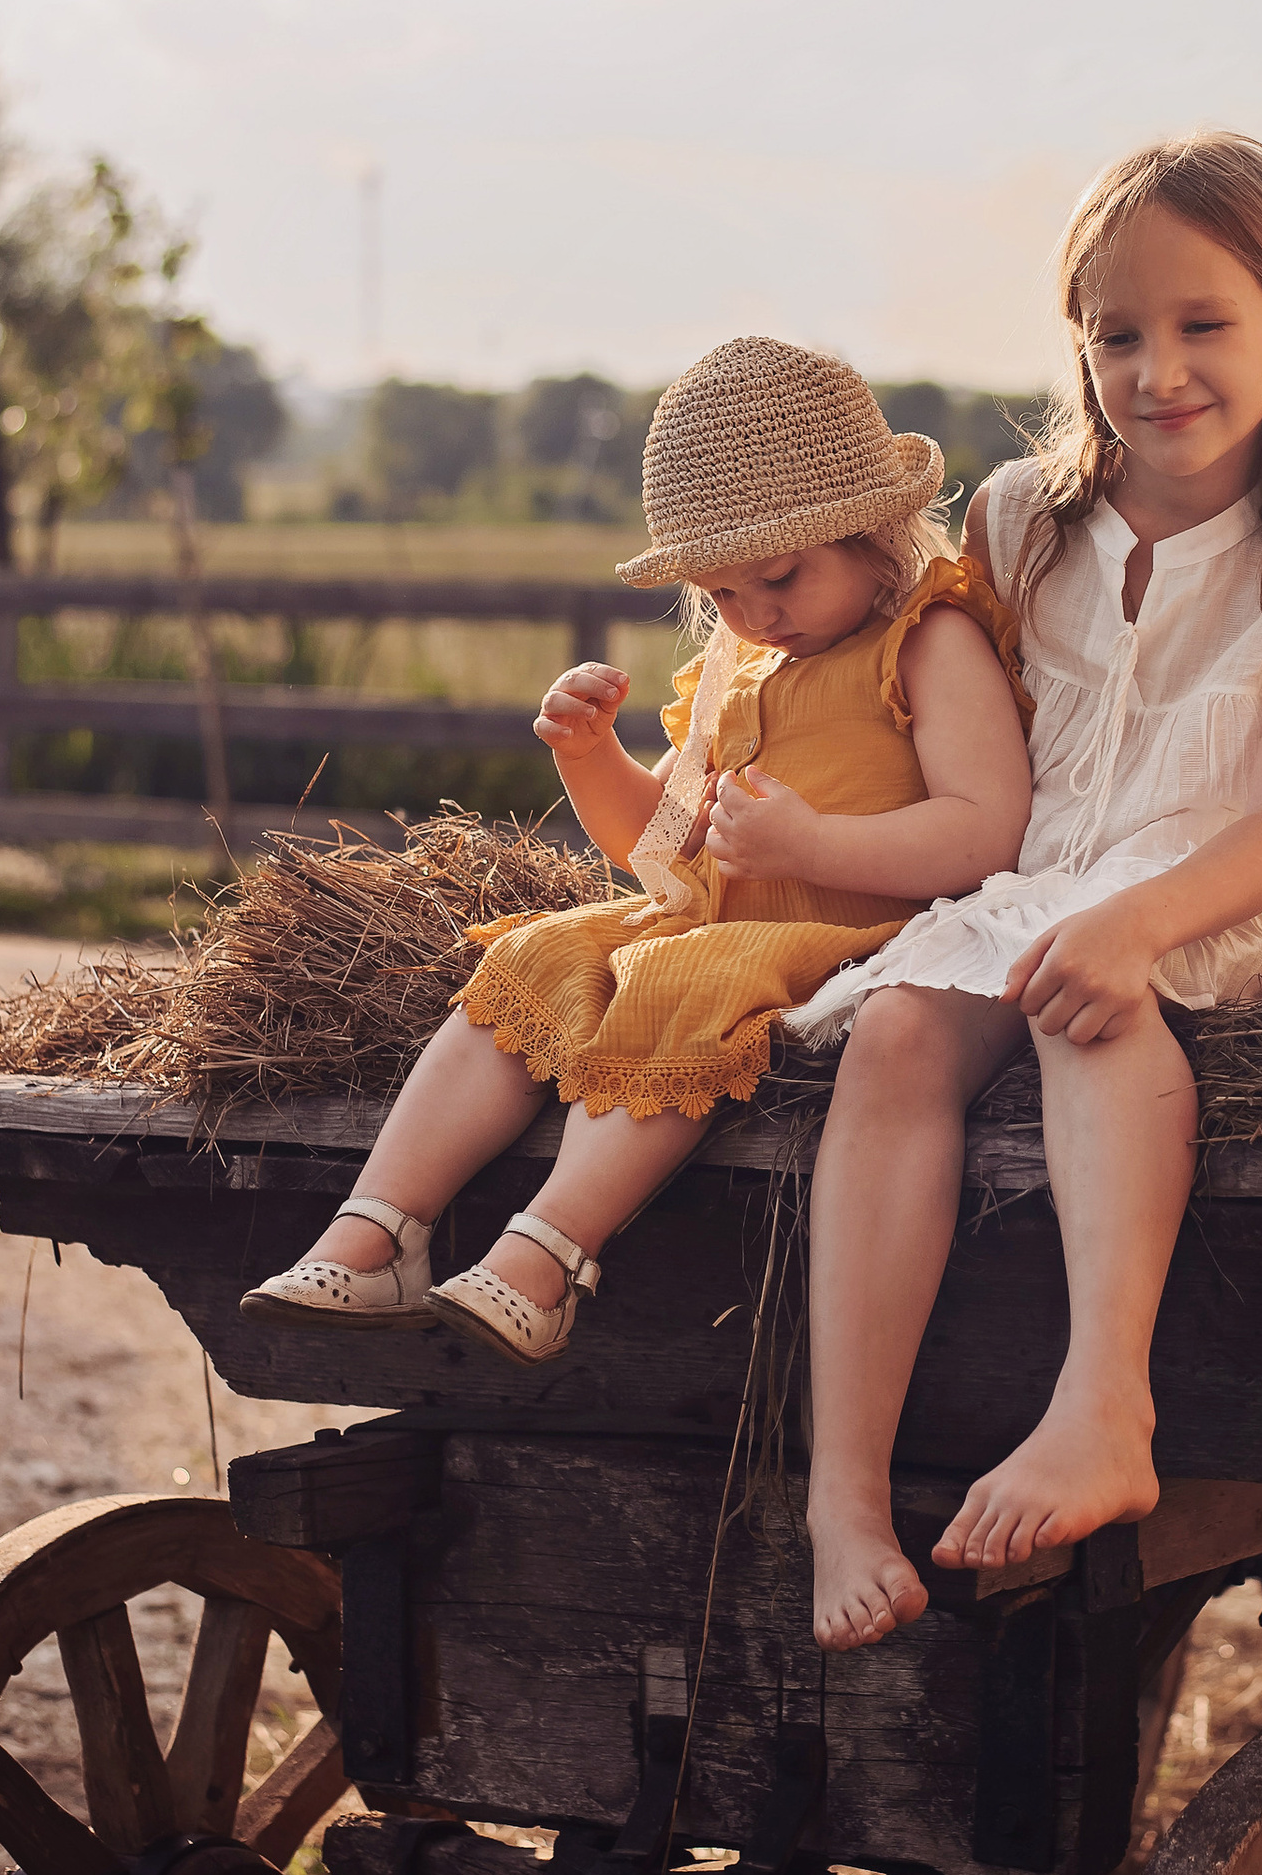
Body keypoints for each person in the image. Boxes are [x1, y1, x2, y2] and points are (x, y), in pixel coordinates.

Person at [788, 133, 1262, 1649]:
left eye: (1204, 324)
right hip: (1042, 862)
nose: (1160, 369)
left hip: (1220, 882)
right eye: (1118, 332)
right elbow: (942, 710)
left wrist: (1139, 922)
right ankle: (843, 1491)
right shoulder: (1022, 518)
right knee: (894, 1037)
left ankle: (1101, 1404)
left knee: (1090, 1002)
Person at [239, 337, 1031, 1362]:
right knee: (531, 956)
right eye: (723, 594)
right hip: (715, 921)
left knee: (681, 970)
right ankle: (380, 1227)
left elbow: (987, 829)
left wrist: (813, 841)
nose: (753, 614)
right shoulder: (736, 664)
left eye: (778, 578)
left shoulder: (928, 638)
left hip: (856, 936)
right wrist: (589, 754)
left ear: (870, 531)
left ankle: (550, 1252)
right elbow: (657, 848)